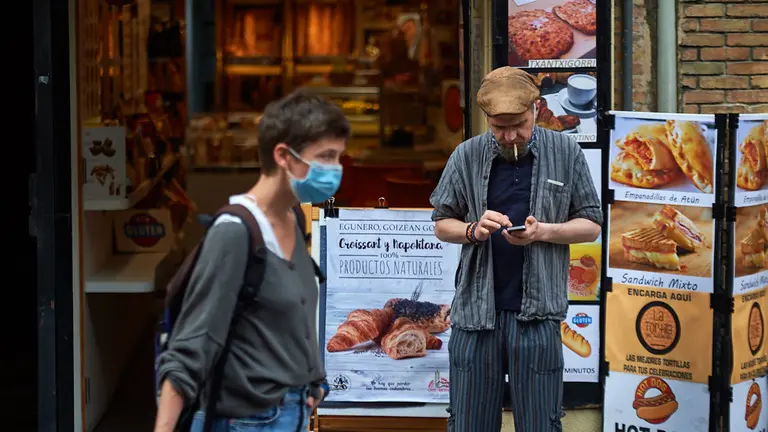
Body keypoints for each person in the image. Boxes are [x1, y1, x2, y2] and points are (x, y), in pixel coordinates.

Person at [153, 91, 350, 432]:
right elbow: (191, 346)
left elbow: (287, 317)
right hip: (247, 421)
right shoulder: (236, 233)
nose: (336, 170)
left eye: (339, 157)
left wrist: (312, 380)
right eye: (326, 157)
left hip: (291, 415)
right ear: (283, 156)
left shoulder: (294, 220)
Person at [430, 67, 602, 432]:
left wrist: (544, 231)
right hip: (476, 315)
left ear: (537, 110)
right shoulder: (467, 155)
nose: (509, 136)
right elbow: (442, 222)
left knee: (541, 424)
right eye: (498, 127)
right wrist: (474, 230)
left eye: (518, 125)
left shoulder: (565, 151)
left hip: (537, 316)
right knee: (469, 425)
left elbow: (591, 224)